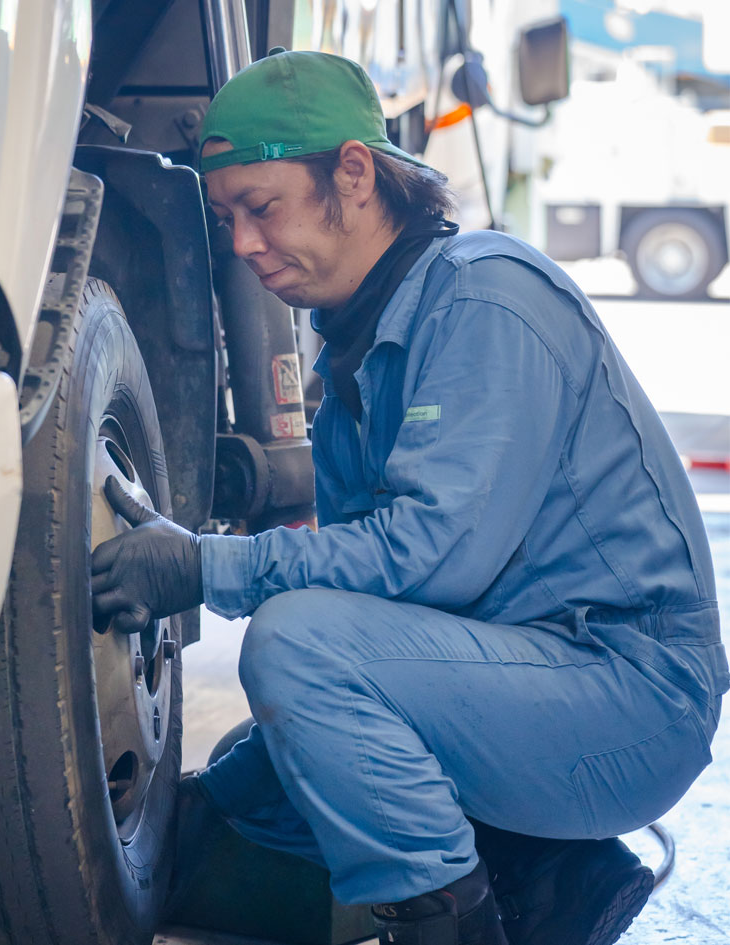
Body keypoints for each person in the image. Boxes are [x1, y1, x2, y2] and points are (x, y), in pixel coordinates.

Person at [91, 49, 727, 945]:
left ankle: (459, 928)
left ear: (354, 173)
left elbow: (426, 559)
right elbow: (369, 596)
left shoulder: (484, 299)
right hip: (528, 666)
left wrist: (203, 563)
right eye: (225, 215)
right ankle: (544, 880)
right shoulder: (359, 340)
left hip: (628, 692)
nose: (240, 243)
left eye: (261, 207)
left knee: (298, 654)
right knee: (254, 768)